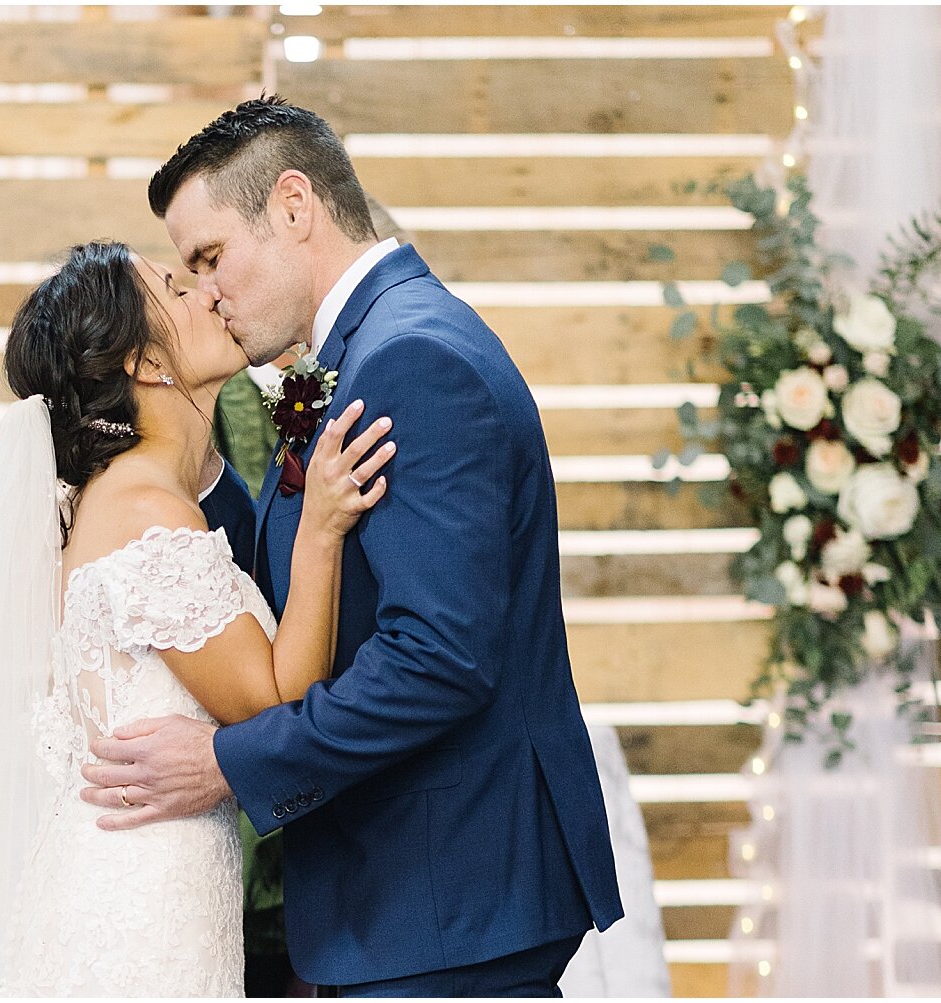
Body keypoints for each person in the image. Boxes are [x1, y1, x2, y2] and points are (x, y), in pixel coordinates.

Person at [78, 96, 625, 997]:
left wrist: (225, 763)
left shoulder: (414, 361)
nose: (204, 291)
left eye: (210, 257)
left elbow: (438, 659)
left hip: (445, 900)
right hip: (412, 902)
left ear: (294, 206)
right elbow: (304, 584)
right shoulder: (364, 348)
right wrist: (188, 465)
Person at [0, 239, 395, 996]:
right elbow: (276, 700)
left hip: (141, 881)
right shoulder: (144, 510)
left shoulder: (134, 497)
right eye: (173, 287)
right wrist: (321, 529)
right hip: (141, 904)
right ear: (143, 364)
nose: (203, 289)